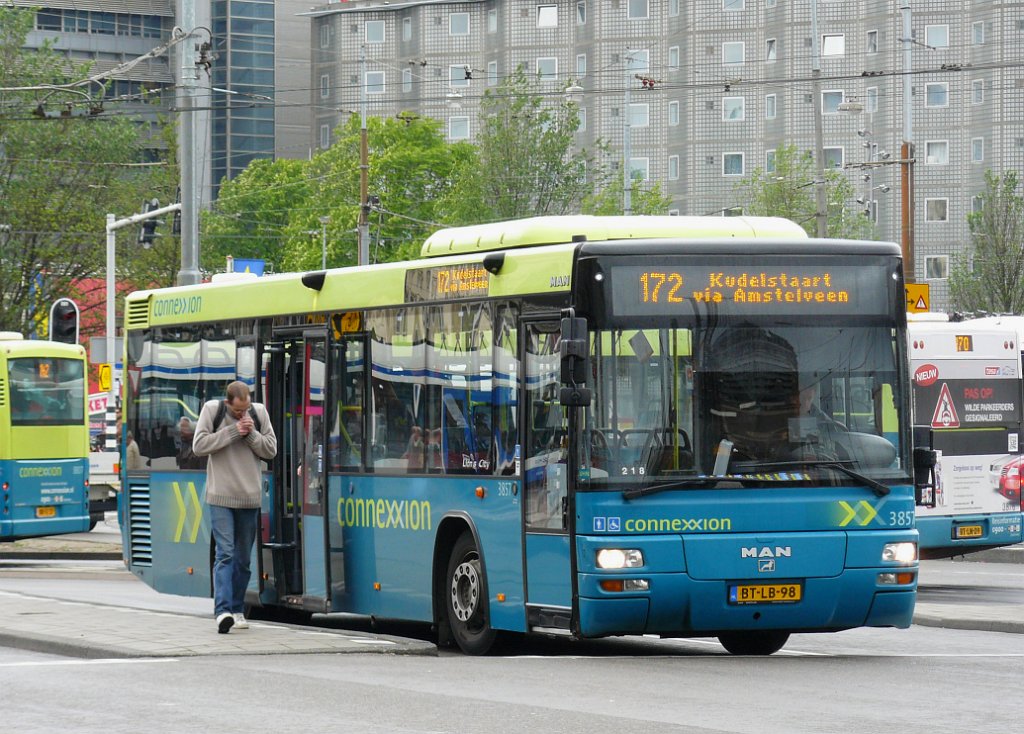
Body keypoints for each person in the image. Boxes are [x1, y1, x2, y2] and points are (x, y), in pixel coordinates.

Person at [193, 381, 277, 634]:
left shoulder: (259, 413)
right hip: (220, 496)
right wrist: (232, 431)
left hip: (249, 498)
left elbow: (271, 451)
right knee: (225, 553)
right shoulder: (212, 410)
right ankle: (223, 612)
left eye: (246, 409)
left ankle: (238, 608)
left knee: (243, 560)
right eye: (238, 411)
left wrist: (251, 434)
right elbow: (199, 445)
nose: (243, 414)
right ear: (228, 403)